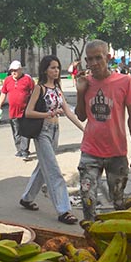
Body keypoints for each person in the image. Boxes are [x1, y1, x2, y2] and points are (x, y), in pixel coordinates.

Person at [74, 40, 131, 221]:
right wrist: (80, 92)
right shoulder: (85, 82)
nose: (94, 63)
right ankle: (90, 236)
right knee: (87, 199)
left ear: (108, 58)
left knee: (118, 202)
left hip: (116, 152)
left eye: (98, 58)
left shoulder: (125, 82)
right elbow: (81, 116)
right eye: (89, 59)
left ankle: (118, 236)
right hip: (90, 151)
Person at [18, 55, 84, 225]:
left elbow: (68, 112)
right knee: (54, 171)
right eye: (52, 68)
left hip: (55, 131)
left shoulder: (56, 89)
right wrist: (47, 114)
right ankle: (64, 210)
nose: (55, 71)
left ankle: (27, 198)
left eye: (57, 67)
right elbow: (28, 112)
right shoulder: (39, 88)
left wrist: (85, 130)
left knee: (43, 166)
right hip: (42, 131)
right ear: (45, 69)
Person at [0, 60, 35, 159]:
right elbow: (3, 93)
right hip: (13, 112)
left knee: (25, 131)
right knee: (16, 131)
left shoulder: (27, 79)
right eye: (12, 70)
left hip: (25, 111)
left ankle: (25, 150)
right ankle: (19, 149)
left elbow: (34, 92)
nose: (14, 72)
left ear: (20, 69)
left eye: (16, 70)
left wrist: (33, 106)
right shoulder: (8, 80)